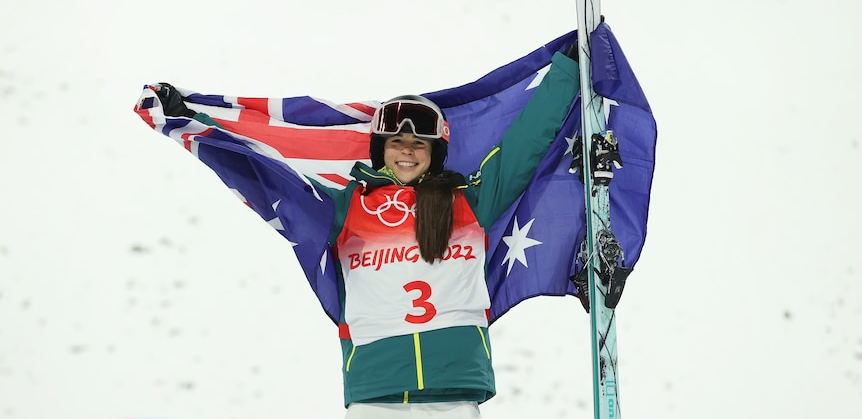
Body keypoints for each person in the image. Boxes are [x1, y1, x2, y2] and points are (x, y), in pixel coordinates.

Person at [155, 48, 580, 418]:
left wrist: (566, 71)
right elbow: (264, 168)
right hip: (374, 397)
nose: (407, 151)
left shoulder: (469, 203)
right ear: (380, 151)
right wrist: (193, 118)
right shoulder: (343, 208)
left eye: (419, 144)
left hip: (456, 394)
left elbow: (526, 144)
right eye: (397, 142)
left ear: (435, 154)